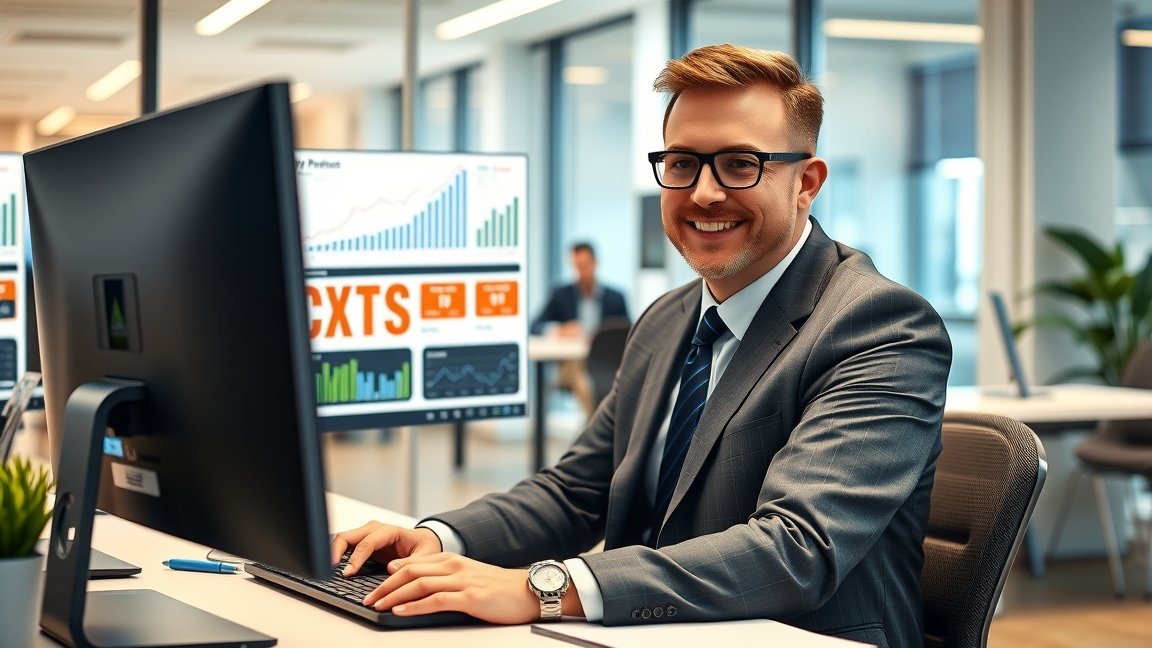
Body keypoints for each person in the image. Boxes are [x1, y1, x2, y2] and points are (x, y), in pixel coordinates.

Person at [331, 44, 951, 648]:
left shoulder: (878, 325)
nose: (704, 193)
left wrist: (544, 587)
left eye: (740, 164)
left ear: (806, 182)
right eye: (682, 164)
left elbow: (796, 549)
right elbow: (578, 491)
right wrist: (439, 539)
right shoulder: (666, 319)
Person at [530, 242, 630, 415]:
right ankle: (598, 423)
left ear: (595, 263)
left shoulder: (615, 298)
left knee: (614, 384)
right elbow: (534, 326)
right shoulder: (561, 295)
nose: (581, 271)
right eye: (577, 266)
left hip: (604, 363)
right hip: (571, 365)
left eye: (585, 265)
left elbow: (628, 332)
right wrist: (559, 331)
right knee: (585, 383)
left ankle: (600, 424)